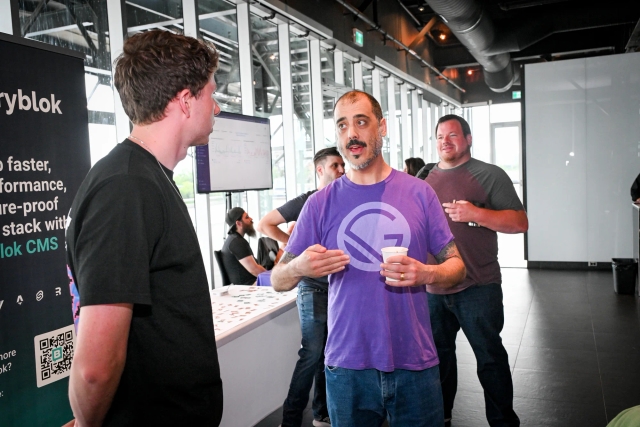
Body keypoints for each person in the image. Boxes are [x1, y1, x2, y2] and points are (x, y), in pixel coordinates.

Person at [271, 90, 466, 427]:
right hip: (347, 367)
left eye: (361, 122)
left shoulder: (420, 194)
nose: (352, 134)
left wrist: (427, 274)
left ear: (382, 127)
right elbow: (278, 279)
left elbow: (457, 266)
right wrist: (300, 266)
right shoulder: (319, 204)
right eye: (343, 125)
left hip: (415, 362)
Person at [65, 30, 223, 426]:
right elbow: (95, 368)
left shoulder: (147, 178)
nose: (217, 108)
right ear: (186, 101)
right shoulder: (126, 187)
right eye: (211, 94)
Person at [425, 114, 528, 427]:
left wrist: (475, 213)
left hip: (478, 286)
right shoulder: (424, 177)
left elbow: (519, 223)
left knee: (490, 359)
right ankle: (441, 417)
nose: (446, 141)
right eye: (440, 136)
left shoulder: (489, 174)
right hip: (434, 287)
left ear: (468, 139)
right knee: (439, 360)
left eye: (453, 135)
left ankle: (503, 421)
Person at [256, 147, 345, 427]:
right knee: (312, 352)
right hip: (312, 288)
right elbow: (265, 223)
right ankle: (291, 419)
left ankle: (321, 412)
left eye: (343, 165)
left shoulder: (346, 198)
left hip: (339, 288)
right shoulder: (307, 201)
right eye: (335, 166)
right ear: (320, 170)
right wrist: (292, 244)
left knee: (329, 350)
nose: (341, 170)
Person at [221, 207, 266, 285]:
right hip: (248, 286)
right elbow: (255, 270)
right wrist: (273, 276)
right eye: (247, 217)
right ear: (238, 223)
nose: (251, 219)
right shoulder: (236, 242)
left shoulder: (234, 240)